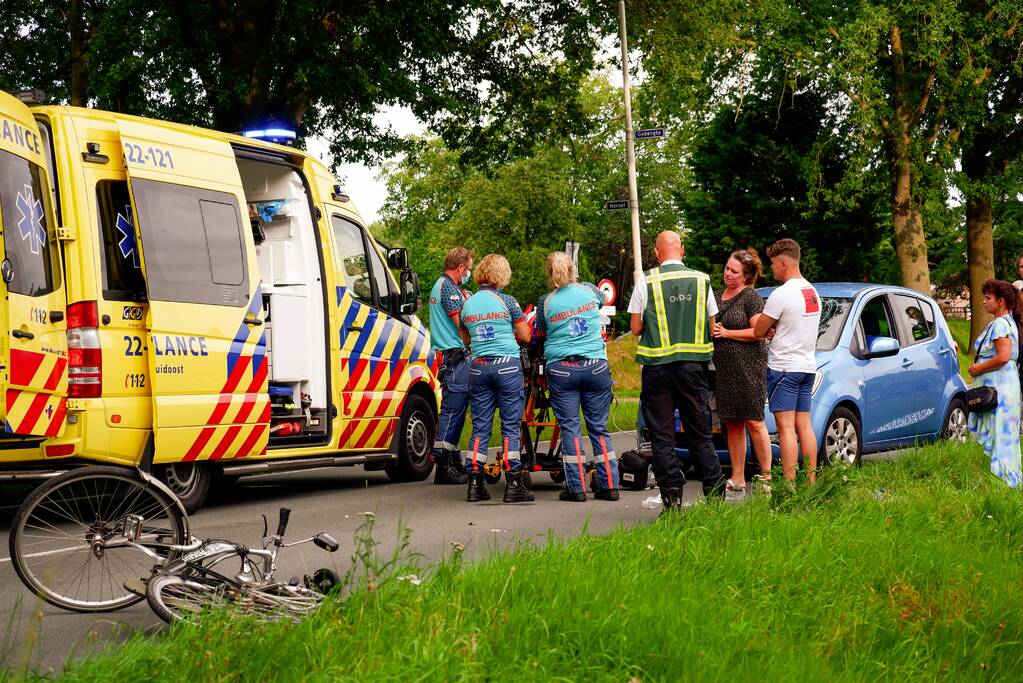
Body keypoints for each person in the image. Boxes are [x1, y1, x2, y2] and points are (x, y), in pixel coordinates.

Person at [629, 230, 725, 512]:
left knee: (662, 437)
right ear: (681, 250)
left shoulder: (646, 280)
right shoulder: (701, 280)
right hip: (693, 369)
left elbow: (635, 328)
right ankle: (715, 497)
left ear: (657, 254)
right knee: (700, 434)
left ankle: (672, 502)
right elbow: (711, 325)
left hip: (657, 369)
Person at [536, 252, 619, 502]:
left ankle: (577, 488)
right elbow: (602, 300)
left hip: (562, 369)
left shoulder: (546, 302)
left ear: (550, 274)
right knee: (598, 427)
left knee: (570, 428)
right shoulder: (590, 291)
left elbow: (540, 332)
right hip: (595, 366)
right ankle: (610, 486)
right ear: (573, 270)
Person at [460, 254, 534, 503]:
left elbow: (466, 338)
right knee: (510, 426)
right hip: (506, 367)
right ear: (501, 275)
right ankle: (513, 484)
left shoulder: (467, 304)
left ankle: (474, 484)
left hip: (479, 367)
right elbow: (525, 335)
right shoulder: (508, 301)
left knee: (480, 426)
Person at [752, 238, 821, 485]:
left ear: (783, 263)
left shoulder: (781, 294)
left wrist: (768, 323)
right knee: (805, 425)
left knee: (785, 430)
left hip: (783, 368)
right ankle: (811, 482)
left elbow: (759, 331)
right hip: (807, 366)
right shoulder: (812, 292)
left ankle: (789, 485)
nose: (770, 268)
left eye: (772, 263)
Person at [709, 248, 772, 495]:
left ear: (746, 276)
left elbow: (759, 332)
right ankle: (738, 477)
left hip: (748, 368)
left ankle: (766, 477)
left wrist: (727, 333)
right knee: (732, 423)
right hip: (724, 369)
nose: (727, 273)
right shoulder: (716, 296)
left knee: (754, 422)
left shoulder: (751, 297)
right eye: (727, 268)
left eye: (734, 271)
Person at [968, 279, 1022, 487]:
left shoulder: (1001, 323)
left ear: (1001, 301)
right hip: (1005, 387)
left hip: (999, 390)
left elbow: (1003, 356)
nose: (983, 302)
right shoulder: (1008, 322)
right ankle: (1008, 481)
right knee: (1004, 437)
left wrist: (977, 368)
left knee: (1001, 436)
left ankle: (1004, 482)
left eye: (988, 298)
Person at [428, 247, 474, 485]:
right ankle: (444, 465)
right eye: (469, 269)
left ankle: (453, 459)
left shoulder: (442, 286)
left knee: (454, 411)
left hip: (449, 355)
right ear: (461, 268)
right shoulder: (449, 289)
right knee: (453, 410)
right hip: (455, 355)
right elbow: (463, 326)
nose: (469, 273)